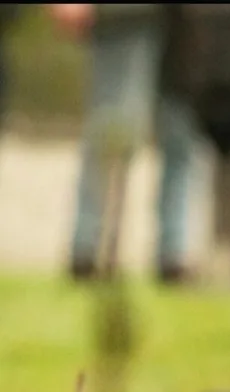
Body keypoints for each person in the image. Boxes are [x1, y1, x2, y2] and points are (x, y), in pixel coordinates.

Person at [48, 3, 198, 282]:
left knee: (184, 137)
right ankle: (91, 248)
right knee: (113, 132)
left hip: (191, 20)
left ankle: (175, 254)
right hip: (123, 16)